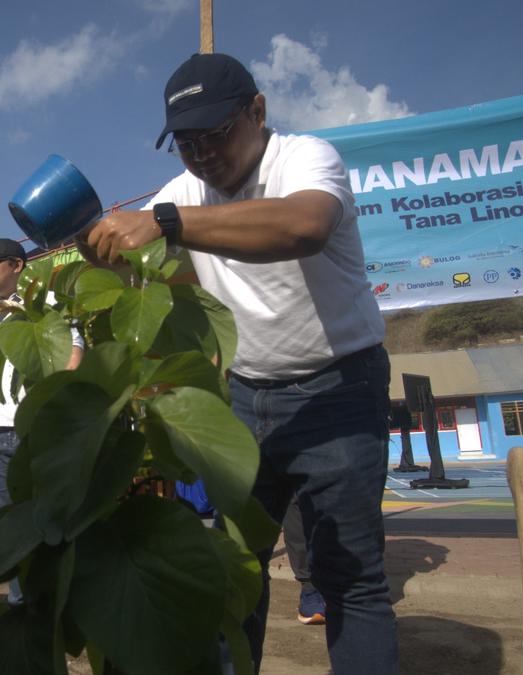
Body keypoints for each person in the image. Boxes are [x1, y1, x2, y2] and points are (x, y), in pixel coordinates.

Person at [78, 53, 395, 673]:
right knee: (233, 571)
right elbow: (122, 261)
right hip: (246, 397)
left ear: (257, 111)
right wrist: (97, 243)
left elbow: (303, 227)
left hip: (339, 390)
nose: (201, 156)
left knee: (349, 577)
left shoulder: (305, 159)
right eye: (185, 144)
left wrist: (164, 223)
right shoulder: (185, 190)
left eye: (216, 135)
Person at [0, 238, 83, 604]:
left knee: (51, 519)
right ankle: (20, 602)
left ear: (18, 266)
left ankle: (58, 600)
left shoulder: (50, 304)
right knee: (10, 524)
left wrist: (52, 408)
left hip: (39, 430)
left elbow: (73, 355)